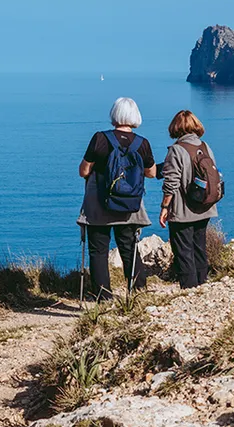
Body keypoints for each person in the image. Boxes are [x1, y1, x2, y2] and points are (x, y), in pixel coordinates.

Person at [77, 97, 156, 299]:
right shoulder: (142, 143)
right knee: (130, 248)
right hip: (129, 205)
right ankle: (138, 293)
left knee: (98, 251)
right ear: (135, 116)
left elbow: (84, 171)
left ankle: (103, 297)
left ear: (114, 115)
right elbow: (151, 172)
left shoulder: (100, 138)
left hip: (99, 205)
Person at [158, 110, 218, 289]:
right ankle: (202, 285)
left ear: (175, 128)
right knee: (199, 248)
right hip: (205, 207)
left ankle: (189, 290)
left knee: (183, 251)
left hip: (184, 211)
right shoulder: (205, 146)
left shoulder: (176, 150)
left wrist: (164, 207)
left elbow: (171, 183)